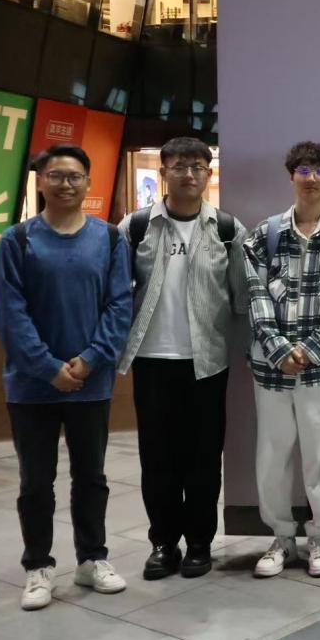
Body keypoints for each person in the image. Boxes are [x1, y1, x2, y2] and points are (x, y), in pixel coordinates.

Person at [0, 144, 133, 610]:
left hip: (91, 384)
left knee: (91, 476)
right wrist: (49, 368)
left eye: (74, 176)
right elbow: (10, 314)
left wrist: (91, 360)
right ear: (41, 181)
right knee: (36, 481)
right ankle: (38, 566)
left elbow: (119, 305)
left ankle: (92, 559)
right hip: (31, 387)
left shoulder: (109, 238)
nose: (66, 184)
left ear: (88, 182)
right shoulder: (18, 241)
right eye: (56, 176)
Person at [118, 136, 246, 581]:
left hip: (207, 362)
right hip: (152, 360)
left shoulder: (227, 229)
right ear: (163, 173)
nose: (189, 174)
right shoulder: (135, 227)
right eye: (179, 166)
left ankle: (199, 544)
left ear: (208, 175)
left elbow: (242, 297)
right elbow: (117, 293)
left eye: (197, 167)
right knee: (157, 459)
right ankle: (163, 543)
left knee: (204, 458)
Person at [242, 141, 320, 579]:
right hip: (271, 367)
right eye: (303, 170)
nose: (310, 178)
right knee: (272, 453)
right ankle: (280, 537)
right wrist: (280, 349)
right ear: (291, 175)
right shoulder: (263, 235)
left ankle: (319, 537)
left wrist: (311, 349)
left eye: (319, 171)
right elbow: (256, 296)